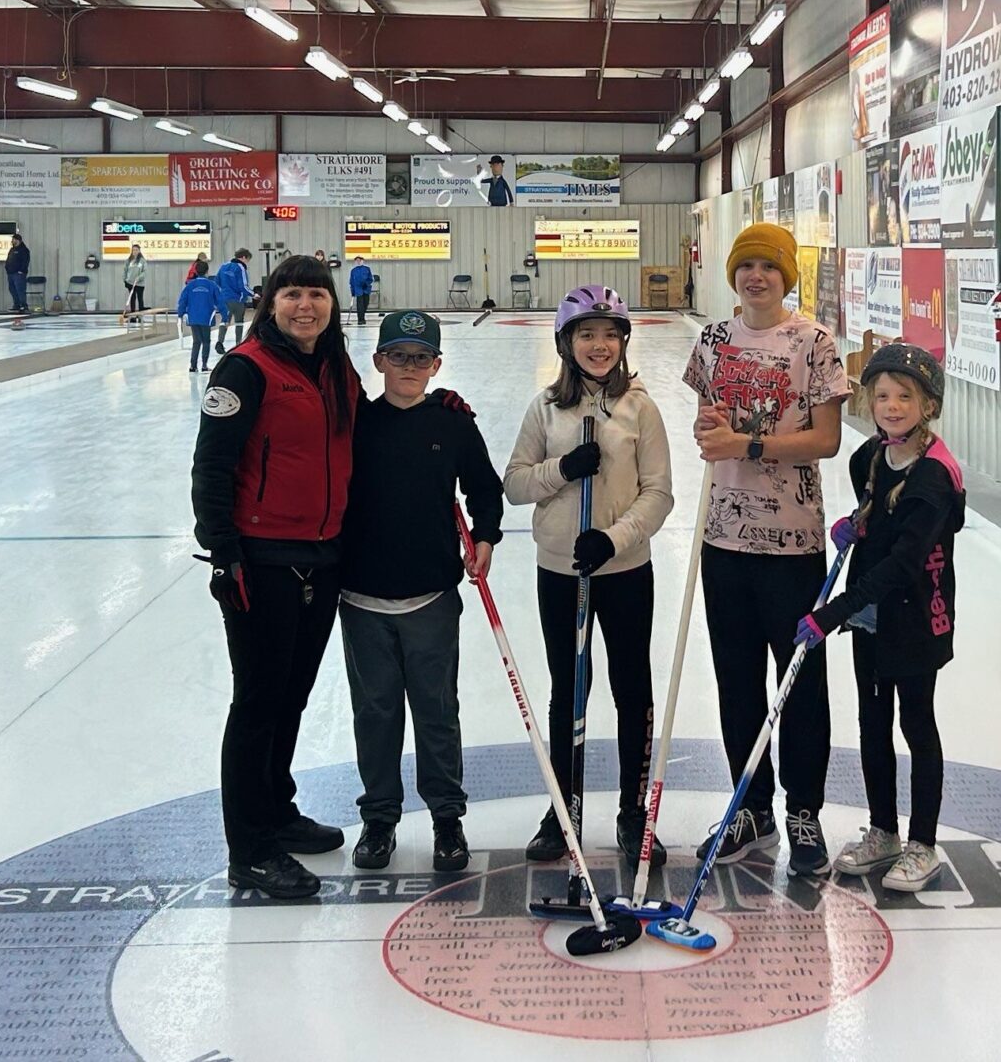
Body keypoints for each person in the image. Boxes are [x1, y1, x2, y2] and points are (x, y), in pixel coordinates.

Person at [191, 255, 364, 900]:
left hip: (322, 558)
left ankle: (277, 810)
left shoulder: (336, 368)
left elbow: (362, 444)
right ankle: (251, 850)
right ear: (270, 303)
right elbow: (211, 467)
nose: (305, 306)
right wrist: (224, 553)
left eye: (316, 294)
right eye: (291, 294)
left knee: (290, 698)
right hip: (261, 562)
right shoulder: (245, 368)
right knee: (258, 706)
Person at [682, 222, 849, 876]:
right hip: (724, 537)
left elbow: (827, 439)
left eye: (768, 267)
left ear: (787, 276)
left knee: (799, 686)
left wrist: (747, 445)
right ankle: (750, 807)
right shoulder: (715, 340)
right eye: (745, 265)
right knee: (738, 682)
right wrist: (711, 430)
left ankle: (803, 810)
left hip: (793, 540)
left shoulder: (812, 341)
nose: (756, 276)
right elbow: (707, 423)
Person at [505, 286, 674, 866]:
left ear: (624, 342)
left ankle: (632, 809)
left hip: (624, 569)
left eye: (610, 335)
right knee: (567, 691)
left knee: (632, 689)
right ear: (566, 343)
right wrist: (560, 470)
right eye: (586, 334)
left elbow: (659, 494)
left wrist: (613, 538)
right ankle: (564, 807)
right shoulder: (545, 408)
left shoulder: (641, 408)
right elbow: (516, 484)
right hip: (560, 568)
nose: (599, 345)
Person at [794, 344, 965, 892]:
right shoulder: (867, 456)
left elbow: (904, 563)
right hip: (872, 617)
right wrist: (855, 524)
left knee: (916, 723)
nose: (891, 406)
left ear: (929, 405)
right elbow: (880, 524)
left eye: (905, 397)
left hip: (918, 616)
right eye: (882, 396)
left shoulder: (935, 478)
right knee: (872, 723)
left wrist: (833, 612)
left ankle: (923, 843)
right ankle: (884, 831)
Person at [339, 309, 503, 875]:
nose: (409, 367)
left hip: (431, 597)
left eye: (421, 358)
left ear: (436, 364)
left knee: (436, 712)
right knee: (376, 712)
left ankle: (446, 819)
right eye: (398, 356)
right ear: (379, 361)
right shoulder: (356, 421)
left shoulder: (452, 422)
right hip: (361, 599)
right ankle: (379, 818)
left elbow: (485, 489)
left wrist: (485, 537)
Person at [176, 258, 223, 373]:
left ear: (195, 271)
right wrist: (225, 315)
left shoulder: (190, 286)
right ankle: (204, 365)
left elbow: (182, 301)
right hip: (206, 317)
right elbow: (220, 301)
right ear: (207, 271)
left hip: (193, 317)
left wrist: (180, 314)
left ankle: (193, 366)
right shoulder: (212, 285)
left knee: (196, 341)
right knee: (206, 340)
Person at [214, 248, 257, 355]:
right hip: (237, 299)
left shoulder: (223, 266)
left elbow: (217, 281)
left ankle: (220, 342)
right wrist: (253, 294)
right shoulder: (240, 268)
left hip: (224, 299)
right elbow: (243, 286)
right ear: (243, 257)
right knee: (239, 322)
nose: (247, 262)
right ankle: (238, 344)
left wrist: (224, 291)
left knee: (225, 321)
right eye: (247, 260)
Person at [6, 233, 31, 314]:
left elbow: (25, 261)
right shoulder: (12, 249)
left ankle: (23, 305)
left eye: (13, 239)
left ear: (18, 240)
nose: (12, 241)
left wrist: (21, 271)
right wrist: (7, 268)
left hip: (19, 274)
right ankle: (16, 305)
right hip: (11, 273)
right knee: (12, 289)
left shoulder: (24, 250)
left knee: (20, 290)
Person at [122, 244, 147, 315]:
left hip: (139, 283)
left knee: (140, 298)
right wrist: (125, 280)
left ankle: (140, 314)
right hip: (130, 282)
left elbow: (144, 272)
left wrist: (139, 278)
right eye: (133, 250)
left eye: (136, 250)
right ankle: (133, 314)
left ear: (139, 251)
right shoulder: (128, 260)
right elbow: (125, 270)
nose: (135, 251)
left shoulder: (142, 261)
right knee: (132, 299)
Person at [348, 257, 374, 325]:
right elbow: (351, 281)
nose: (358, 262)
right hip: (358, 289)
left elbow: (370, 278)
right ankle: (360, 319)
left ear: (363, 261)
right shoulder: (353, 270)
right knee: (360, 305)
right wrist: (352, 290)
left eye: (360, 260)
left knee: (365, 303)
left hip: (366, 289)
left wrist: (366, 283)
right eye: (357, 261)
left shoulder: (367, 269)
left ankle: (362, 316)